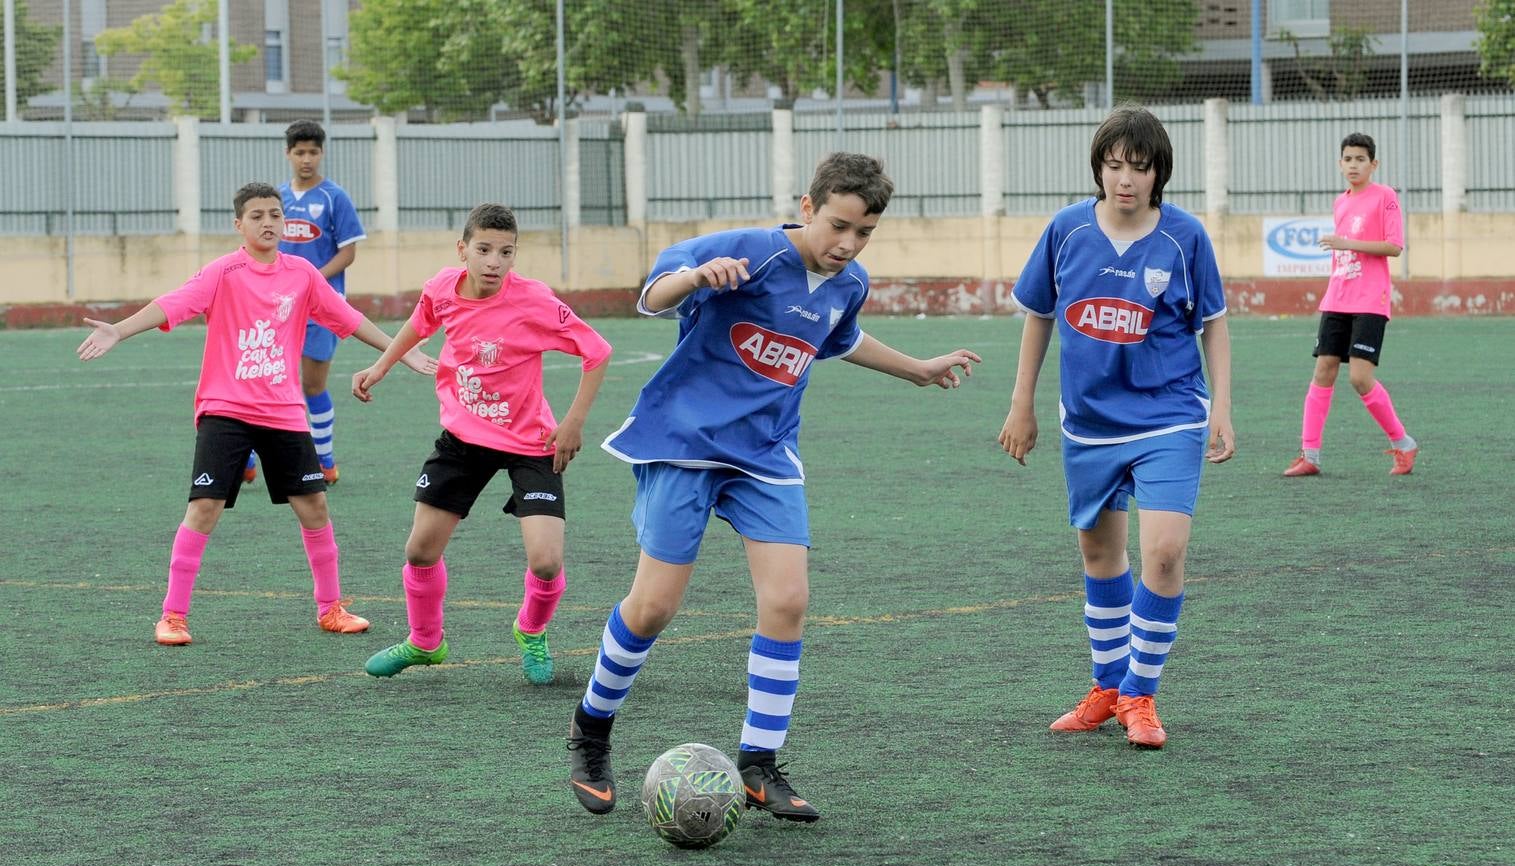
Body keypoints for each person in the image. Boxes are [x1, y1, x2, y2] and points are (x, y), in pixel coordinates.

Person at [565, 152, 981, 820]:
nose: (847, 244)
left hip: (765, 453)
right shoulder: (747, 252)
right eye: (839, 226)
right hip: (685, 443)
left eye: (864, 233)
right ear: (807, 207)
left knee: (787, 600)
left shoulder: (849, 284)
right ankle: (591, 731)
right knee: (652, 609)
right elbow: (651, 296)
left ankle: (759, 763)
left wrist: (918, 370)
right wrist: (695, 277)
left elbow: (840, 340)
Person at [75, 182, 434, 646]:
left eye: (275, 214)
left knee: (315, 507)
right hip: (225, 410)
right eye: (257, 215)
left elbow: (346, 317)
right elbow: (174, 303)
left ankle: (330, 608)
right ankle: (173, 616)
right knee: (205, 507)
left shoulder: (303, 274)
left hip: (283, 412)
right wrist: (119, 331)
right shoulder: (224, 272)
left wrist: (399, 351)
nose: (268, 223)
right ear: (238, 224)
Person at [997, 105, 1235, 750]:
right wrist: (1023, 404)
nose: (1124, 178)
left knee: (1162, 551)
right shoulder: (1067, 230)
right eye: (1113, 164)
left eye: (1139, 166)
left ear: (1159, 173)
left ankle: (1139, 693)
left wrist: (1221, 405)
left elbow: (1211, 321)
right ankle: (1106, 687)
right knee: (1100, 555)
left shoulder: (1184, 237)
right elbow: (1039, 315)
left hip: (1169, 414)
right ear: (1099, 167)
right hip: (1090, 423)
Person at [352, 204, 612, 685]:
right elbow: (420, 322)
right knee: (420, 552)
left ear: (515, 255)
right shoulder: (442, 288)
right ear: (463, 250)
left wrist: (573, 422)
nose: (494, 261)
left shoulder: (534, 300)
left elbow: (597, 351)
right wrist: (381, 366)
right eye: (484, 250)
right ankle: (426, 642)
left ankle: (531, 632)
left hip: (530, 441)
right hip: (462, 438)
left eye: (506, 252)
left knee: (547, 559)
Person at [1283, 132, 1416, 477]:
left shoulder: (1384, 196)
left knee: (1359, 377)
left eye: (1360, 159)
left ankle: (1403, 444)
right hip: (1338, 297)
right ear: (1339, 164)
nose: (1353, 165)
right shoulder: (1340, 202)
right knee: (1323, 369)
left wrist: (1347, 242)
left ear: (1374, 164)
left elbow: (1394, 247)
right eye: (1348, 159)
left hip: (1371, 299)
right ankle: (1310, 455)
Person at [246, 120, 367, 486]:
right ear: (288, 154)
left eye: (313, 152)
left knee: (312, 384)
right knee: (266, 378)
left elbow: (348, 252)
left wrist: (312, 280)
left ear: (322, 153)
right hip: (279, 306)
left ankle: (325, 459)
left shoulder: (334, 197)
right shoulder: (277, 199)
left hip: (322, 308)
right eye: (299, 152)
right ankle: (248, 455)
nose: (306, 159)